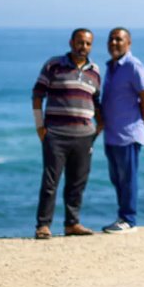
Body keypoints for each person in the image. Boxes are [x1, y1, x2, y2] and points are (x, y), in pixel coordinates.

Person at [31, 29, 102, 239]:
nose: (84, 47)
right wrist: (39, 126)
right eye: (80, 42)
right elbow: (37, 95)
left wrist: (98, 129)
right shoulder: (54, 65)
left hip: (84, 135)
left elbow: (96, 103)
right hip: (56, 135)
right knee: (50, 182)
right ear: (71, 42)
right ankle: (43, 225)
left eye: (88, 44)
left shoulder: (95, 71)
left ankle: (72, 224)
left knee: (77, 182)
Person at [99, 27, 144, 233]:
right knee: (117, 179)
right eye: (111, 39)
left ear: (128, 43)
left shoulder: (133, 65)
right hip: (112, 135)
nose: (114, 43)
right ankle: (122, 217)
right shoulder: (111, 66)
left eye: (119, 39)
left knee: (127, 179)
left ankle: (128, 220)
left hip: (128, 134)